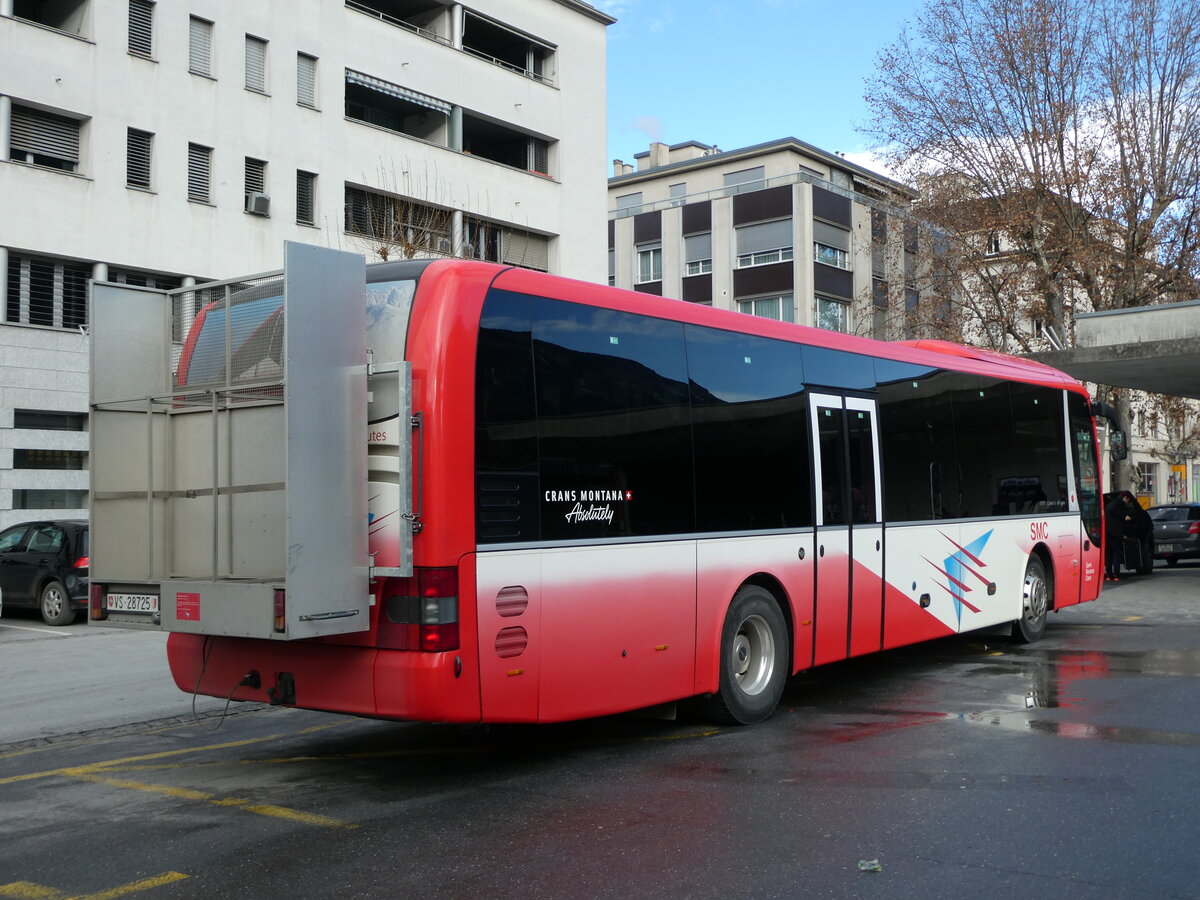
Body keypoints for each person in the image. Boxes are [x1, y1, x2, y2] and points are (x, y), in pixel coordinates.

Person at [1105, 492, 1131, 580]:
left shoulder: (1110, 504)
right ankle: (1117, 574)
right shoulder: (1120, 504)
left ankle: (1108, 575)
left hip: (1107, 532)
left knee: (1109, 554)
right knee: (1116, 553)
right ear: (1125, 498)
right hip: (1115, 533)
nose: (1127, 502)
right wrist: (1127, 517)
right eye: (1128, 500)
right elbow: (1123, 517)